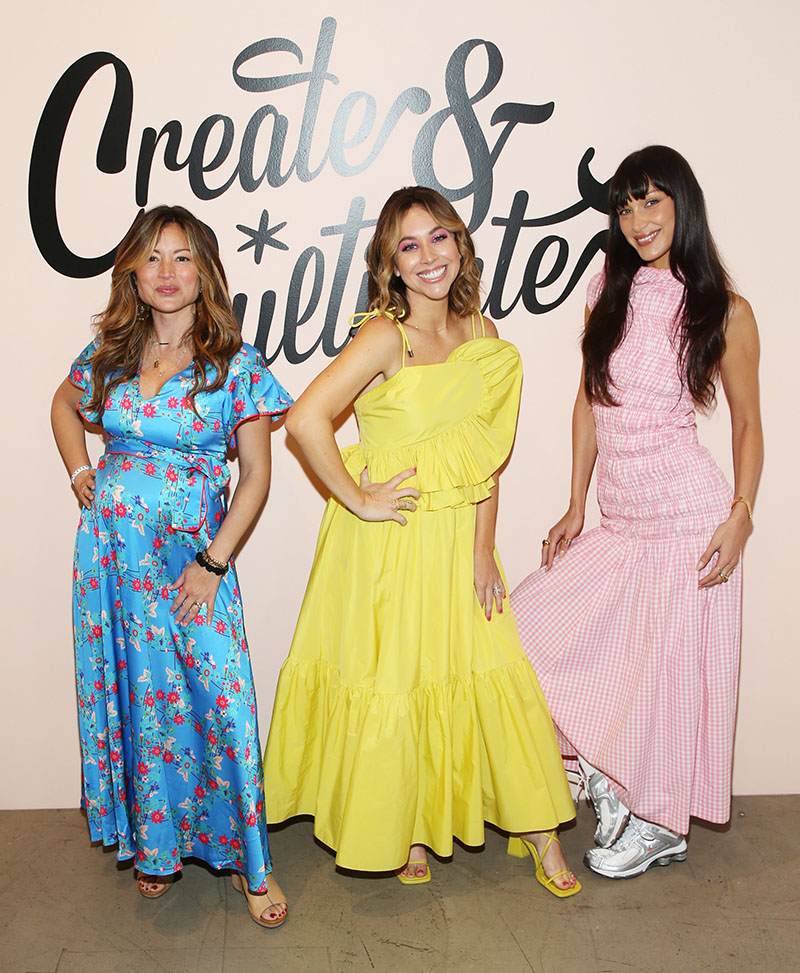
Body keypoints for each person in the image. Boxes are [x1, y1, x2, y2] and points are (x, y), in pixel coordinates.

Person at [264, 186, 579, 897]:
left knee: (492, 670)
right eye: (410, 245)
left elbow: (484, 457)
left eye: (440, 237)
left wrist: (481, 549)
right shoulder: (386, 335)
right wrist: (359, 496)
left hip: (460, 537)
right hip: (389, 543)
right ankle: (403, 823)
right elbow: (306, 419)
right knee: (398, 679)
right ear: (391, 264)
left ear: (461, 246)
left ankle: (539, 829)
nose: (429, 255)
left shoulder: (483, 336)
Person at [510, 145, 763, 879]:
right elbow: (591, 401)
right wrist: (573, 502)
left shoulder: (725, 309)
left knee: (663, 678)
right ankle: (608, 781)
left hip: (688, 519)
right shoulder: (607, 291)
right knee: (530, 629)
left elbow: (747, 422)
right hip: (622, 520)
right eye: (625, 205)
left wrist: (742, 511)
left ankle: (658, 822)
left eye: (651, 200)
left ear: (683, 203)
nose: (637, 219)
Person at [51, 205, 293, 926]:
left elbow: (255, 475)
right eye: (153, 257)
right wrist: (78, 471)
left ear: (205, 271)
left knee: (221, 704)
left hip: (193, 565)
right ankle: (155, 848)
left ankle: (254, 865)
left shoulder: (236, 365)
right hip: (112, 568)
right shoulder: (113, 353)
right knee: (139, 704)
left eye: (182, 257)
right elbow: (64, 405)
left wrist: (212, 563)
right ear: (132, 267)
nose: (166, 272)